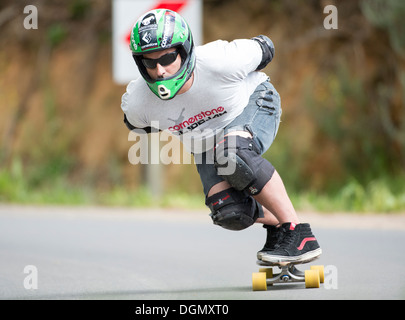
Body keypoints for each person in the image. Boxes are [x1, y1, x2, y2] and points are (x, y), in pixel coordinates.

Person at [121, 9, 321, 264]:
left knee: (233, 153)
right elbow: (136, 125)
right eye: (150, 62)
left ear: (184, 50)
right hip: (206, 140)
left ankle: (298, 234)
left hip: (253, 103)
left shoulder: (220, 60)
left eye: (168, 57)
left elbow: (266, 47)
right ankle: (279, 225)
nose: (160, 70)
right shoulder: (139, 102)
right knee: (228, 211)